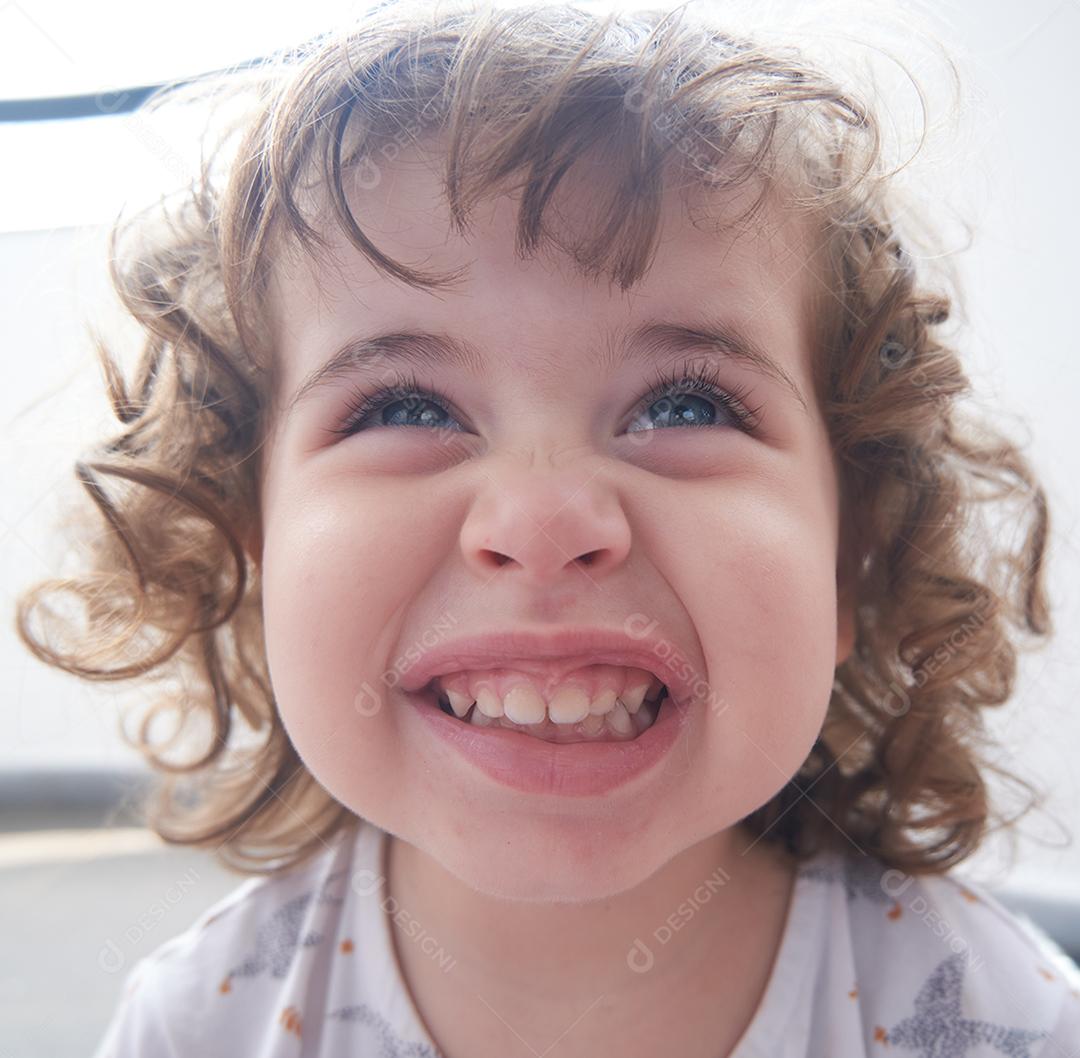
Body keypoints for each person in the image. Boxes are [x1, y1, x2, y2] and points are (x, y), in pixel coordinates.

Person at [15, 0, 1080, 1054]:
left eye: (685, 404)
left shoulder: (1012, 1021)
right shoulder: (196, 1025)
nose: (542, 521)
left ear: (849, 558)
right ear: (253, 548)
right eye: (405, 407)